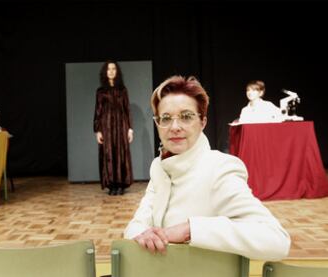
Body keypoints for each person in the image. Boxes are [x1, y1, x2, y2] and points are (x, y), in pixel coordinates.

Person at [124, 75, 291, 261]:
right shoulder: (158, 166)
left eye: (186, 117)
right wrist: (141, 235)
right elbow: (137, 224)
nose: (175, 126)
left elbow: (276, 240)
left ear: (203, 122)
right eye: (165, 118)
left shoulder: (220, 168)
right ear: (157, 124)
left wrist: (190, 229)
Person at [93, 60, 134, 196]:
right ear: (105, 72)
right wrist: (97, 130)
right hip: (106, 128)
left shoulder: (123, 90)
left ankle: (121, 184)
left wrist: (130, 128)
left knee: (120, 153)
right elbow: (97, 111)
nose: (111, 71)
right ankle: (111, 185)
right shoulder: (100, 91)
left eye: (114, 69)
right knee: (109, 154)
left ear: (117, 72)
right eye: (109, 69)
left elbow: (127, 109)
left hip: (121, 126)